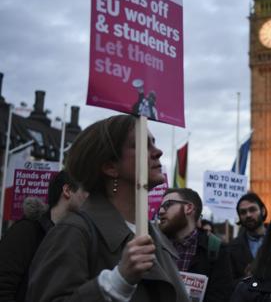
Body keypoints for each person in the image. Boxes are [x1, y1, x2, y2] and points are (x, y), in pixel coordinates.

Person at [27, 114, 188, 302]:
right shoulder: (74, 232)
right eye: (143, 145)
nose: (158, 151)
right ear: (111, 167)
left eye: (154, 142)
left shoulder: (156, 237)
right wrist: (118, 281)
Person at [0, 171, 88, 302]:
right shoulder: (26, 231)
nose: (90, 196)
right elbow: (3, 286)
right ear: (67, 190)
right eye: (86, 190)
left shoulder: (78, 238)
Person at [158, 187, 232, 301]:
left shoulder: (216, 249)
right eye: (161, 207)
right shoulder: (154, 247)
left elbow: (221, 296)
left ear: (188, 208)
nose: (161, 211)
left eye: (168, 205)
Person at [229, 192, 267, 283]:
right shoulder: (232, 247)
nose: (248, 215)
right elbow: (228, 285)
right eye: (243, 212)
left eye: (252, 209)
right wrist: (246, 279)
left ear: (262, 211)